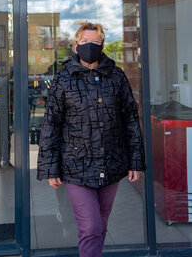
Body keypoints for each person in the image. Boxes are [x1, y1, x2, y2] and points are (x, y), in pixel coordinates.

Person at [37, 22, 146, 257]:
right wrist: (49, 167)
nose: (89, 46)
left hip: (111, 162)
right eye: (84, 42)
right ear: (76, 46)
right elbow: (51, 124)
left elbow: (130, 119)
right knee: (90, 227)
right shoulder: (63, 79)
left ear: (103, 46)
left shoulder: (116, 76)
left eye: (95, 42)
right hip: (76, 164)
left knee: (100, 226)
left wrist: (135, 161)